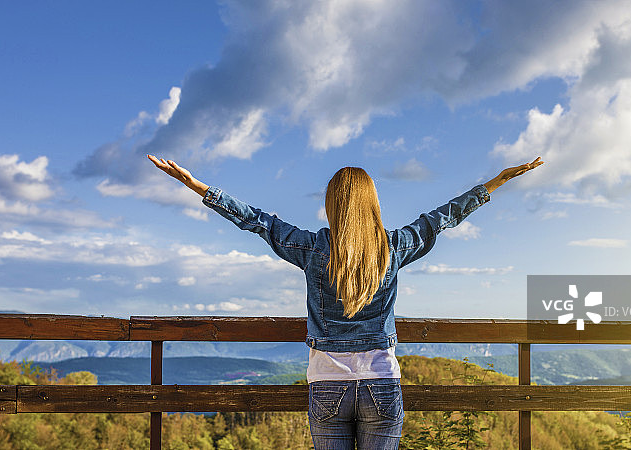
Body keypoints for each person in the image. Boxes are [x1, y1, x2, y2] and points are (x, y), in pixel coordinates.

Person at [148, 154, 543, 449]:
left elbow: (258, 221)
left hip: (327, 383)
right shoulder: (392, 247)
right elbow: (440, 219)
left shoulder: (312, 248)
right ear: (372, 202)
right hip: (381, 381)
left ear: (332, 204)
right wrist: (494, 184)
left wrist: (199, 187)